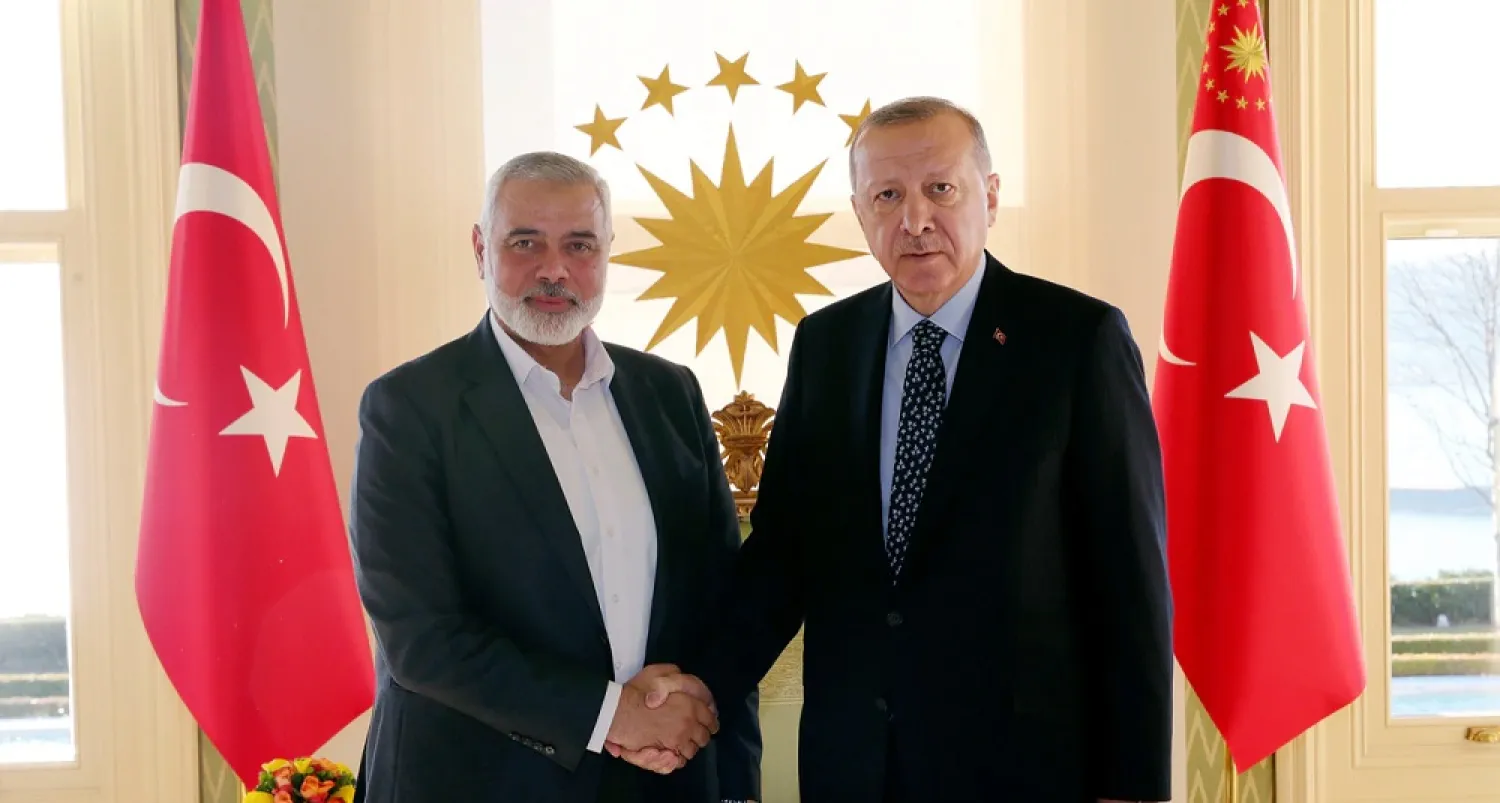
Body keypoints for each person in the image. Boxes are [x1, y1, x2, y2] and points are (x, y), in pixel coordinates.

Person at [624, 97, 1173, 801]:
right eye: (888, 195)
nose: (914, 220)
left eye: (940, 188)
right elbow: (783, 556)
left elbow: (1129, 582)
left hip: (1023, 770)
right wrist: (700, 684)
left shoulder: (1076, 340)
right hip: (855, 767)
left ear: (991, 196)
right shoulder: (826, 345)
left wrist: (1134, 787)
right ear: (860, 212)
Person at [346, 151, 762, 803]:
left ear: (606, 253)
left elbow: (721, 602)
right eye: (525, 242)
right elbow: (421, 637)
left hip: (664, 785)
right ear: (481, 248)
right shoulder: (409, 407)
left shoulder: (670, 393)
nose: (554, 269)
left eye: (579, 244)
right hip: (474, 782)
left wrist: (729, 775)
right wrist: (609, 714)